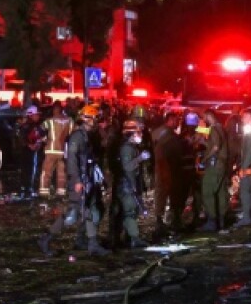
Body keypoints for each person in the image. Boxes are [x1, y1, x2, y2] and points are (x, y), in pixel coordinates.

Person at [38, 105, 109, 256]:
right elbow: (72, 159)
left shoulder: (87, 135)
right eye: (95, 119)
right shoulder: (78, 136)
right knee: (72, 214)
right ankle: (46, 239)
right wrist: (76, 180)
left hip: (87, 179)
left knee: (89, 210)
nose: (96, 122)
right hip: (79, 180)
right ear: (87, 119)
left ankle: (91, 243)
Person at [109, 119, 149, 248]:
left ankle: (127, 238)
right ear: (131, 133)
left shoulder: (131, 147)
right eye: (138, 132)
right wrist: (140, 158)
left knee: (130, 211)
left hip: (129, 184)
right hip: (126, 186)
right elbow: (127, 167)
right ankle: (134, 238)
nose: (141, 135)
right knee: (130, 212)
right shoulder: (126, 148)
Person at [198, 109, 230, 232]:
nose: (203, 119)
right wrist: (205, 142)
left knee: (207, 191)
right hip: (221, 165)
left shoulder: (214, 128)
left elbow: (216, 147)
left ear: (208, 116)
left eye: (204, 116)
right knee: (221, 192)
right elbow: (215, 144)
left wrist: (205, 158)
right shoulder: (221, 127)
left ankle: (212, 221)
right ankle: (221, 220)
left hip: (214, 164)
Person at [150, 113, 181, 238]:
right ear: (170, 120)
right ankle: (161, 220)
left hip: (167, 166)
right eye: (176, 120)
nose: (178, 123)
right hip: (164, 166)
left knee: (165, 192)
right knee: (163, 192)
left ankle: (166, 218)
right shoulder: (165, 133)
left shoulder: (164, 132)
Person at [40, 102, 72, 197]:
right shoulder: (69, 121)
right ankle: (61, 192)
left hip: (51, 150)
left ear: (54, 110)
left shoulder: (49, 121)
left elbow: (40, 131)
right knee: (62, 173)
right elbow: (72, 133)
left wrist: (44, 140)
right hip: (63, 151)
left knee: (46, 172)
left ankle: (44, 192)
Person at [16, 105, 44, 197]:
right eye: (36, 115)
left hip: (34, 151)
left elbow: (41, 136)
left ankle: (29, 187)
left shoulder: (37, 126)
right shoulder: (25, 127)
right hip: (26, 152)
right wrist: (29, 145)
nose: (38, 116)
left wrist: (39, 143)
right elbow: (21, 139)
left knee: (32, 170)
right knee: (27, 170)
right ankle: (26, 187)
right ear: (31, 115)